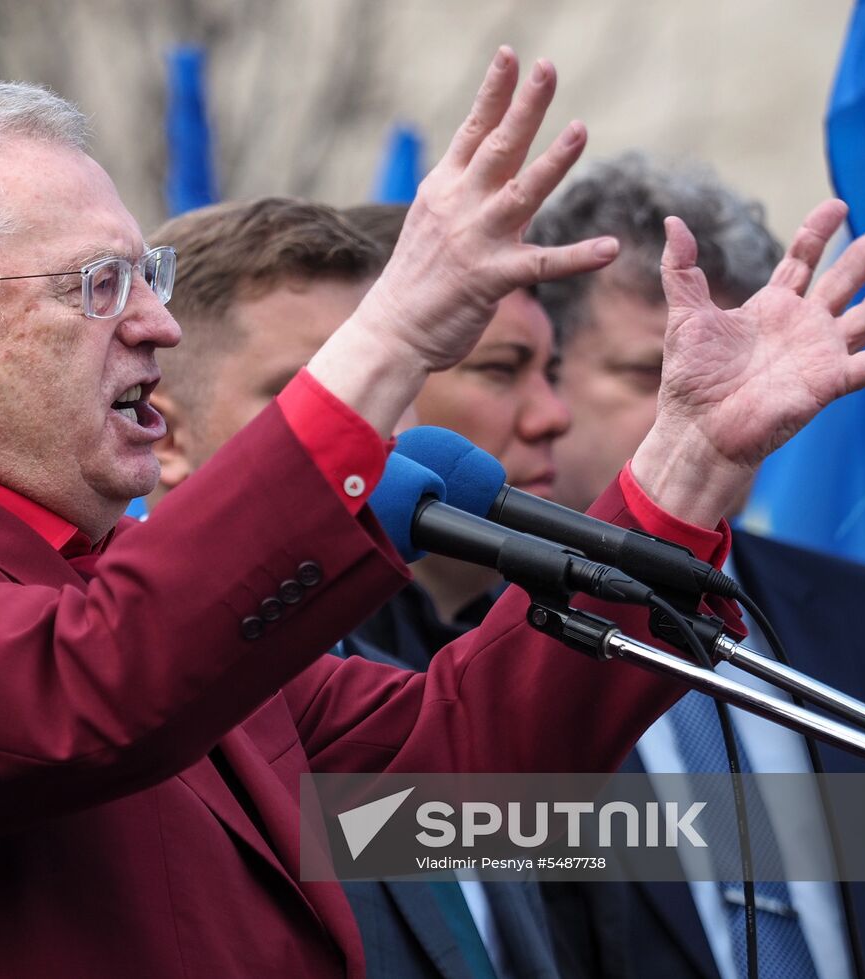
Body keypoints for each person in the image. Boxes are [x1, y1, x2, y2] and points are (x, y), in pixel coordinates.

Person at [0, 52, 865, 978]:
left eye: (146, 275)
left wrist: (690, 458)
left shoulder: (124, 595)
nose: (154, 318)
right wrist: (392, 335)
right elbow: (90, 689)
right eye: (99, 284)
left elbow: (464, 761)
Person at [529, 152, 865, 979]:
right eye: (650, 373)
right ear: (547, 381)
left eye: (738, 369)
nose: (704, 403)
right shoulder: (452, 643)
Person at [149, 196, 564, 979]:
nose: (373, 430)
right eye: (315, 396)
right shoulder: (150, 736)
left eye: (392, 380)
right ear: (165, 435)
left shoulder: (405, 672)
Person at [343, 203, 571, 669]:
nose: (554, 416)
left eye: (551, 374)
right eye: (501, 369)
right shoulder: (303, 673)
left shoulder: (556, 642)